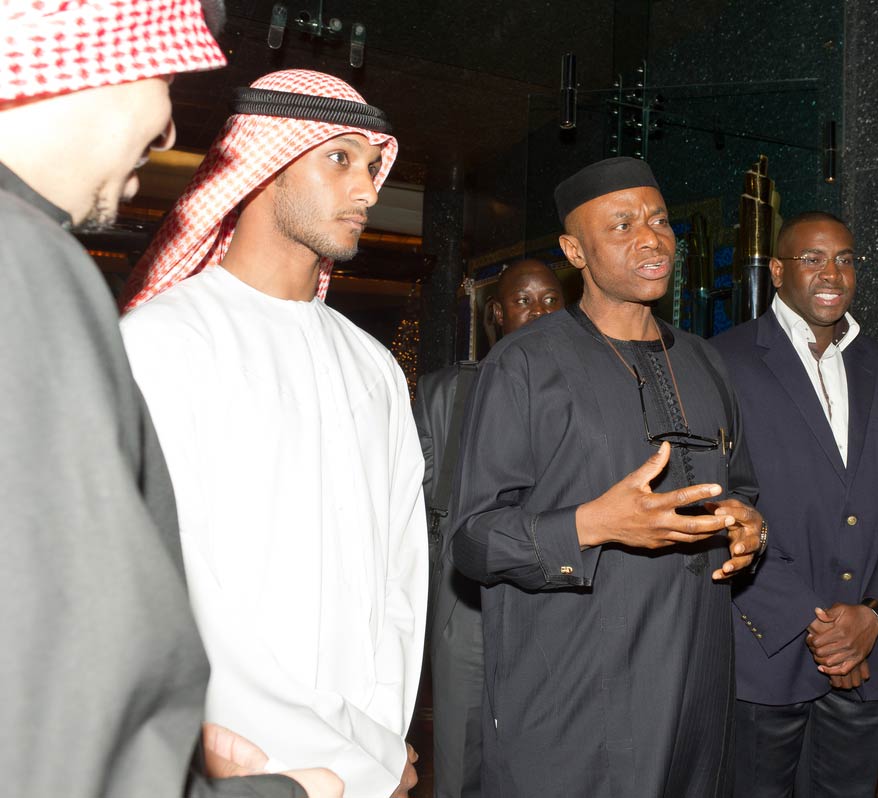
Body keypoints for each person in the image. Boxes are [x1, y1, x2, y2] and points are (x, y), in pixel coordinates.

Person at [0, 2, 337, 797]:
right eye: (163, 77)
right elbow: (59, 715)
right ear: (81, 62)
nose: (165, 131)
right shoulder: (24, 263)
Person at [119, 68, 427, 797]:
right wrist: (327, 761)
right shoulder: (163, 342)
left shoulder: (373, 365)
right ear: (264, 167)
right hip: (235, 765)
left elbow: (402, 575)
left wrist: (376, 744)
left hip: (368, 758)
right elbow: (178, 588)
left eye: (374, 166)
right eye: (341, 159)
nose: (369, 190)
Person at [450, 156, 764, 797]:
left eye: (658, 220)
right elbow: (473, 539)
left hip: (696, 691)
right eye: (621, 226)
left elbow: (744, 488)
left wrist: (748, 525)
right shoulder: (524, 364)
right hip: (578, 694)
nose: (650, 238)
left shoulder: (707, 362)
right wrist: (590, 525)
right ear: (575, 250)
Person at [710, 211, 878, 797]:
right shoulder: (721, 362)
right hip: (766, 653)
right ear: (778, 271)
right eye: (812, 259)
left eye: (846, 259)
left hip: (870, 651)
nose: (832, 272)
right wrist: (824, 632)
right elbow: (718, 507)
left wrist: (874, 616)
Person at [414, 258, 564, 798]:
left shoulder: (589, 390)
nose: (541, 312)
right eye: (525, 301)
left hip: (558, 605)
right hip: (469, 603)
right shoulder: (444, 393)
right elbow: (413, 502)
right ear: (497, 314)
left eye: (551, 300)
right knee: (461, 760)